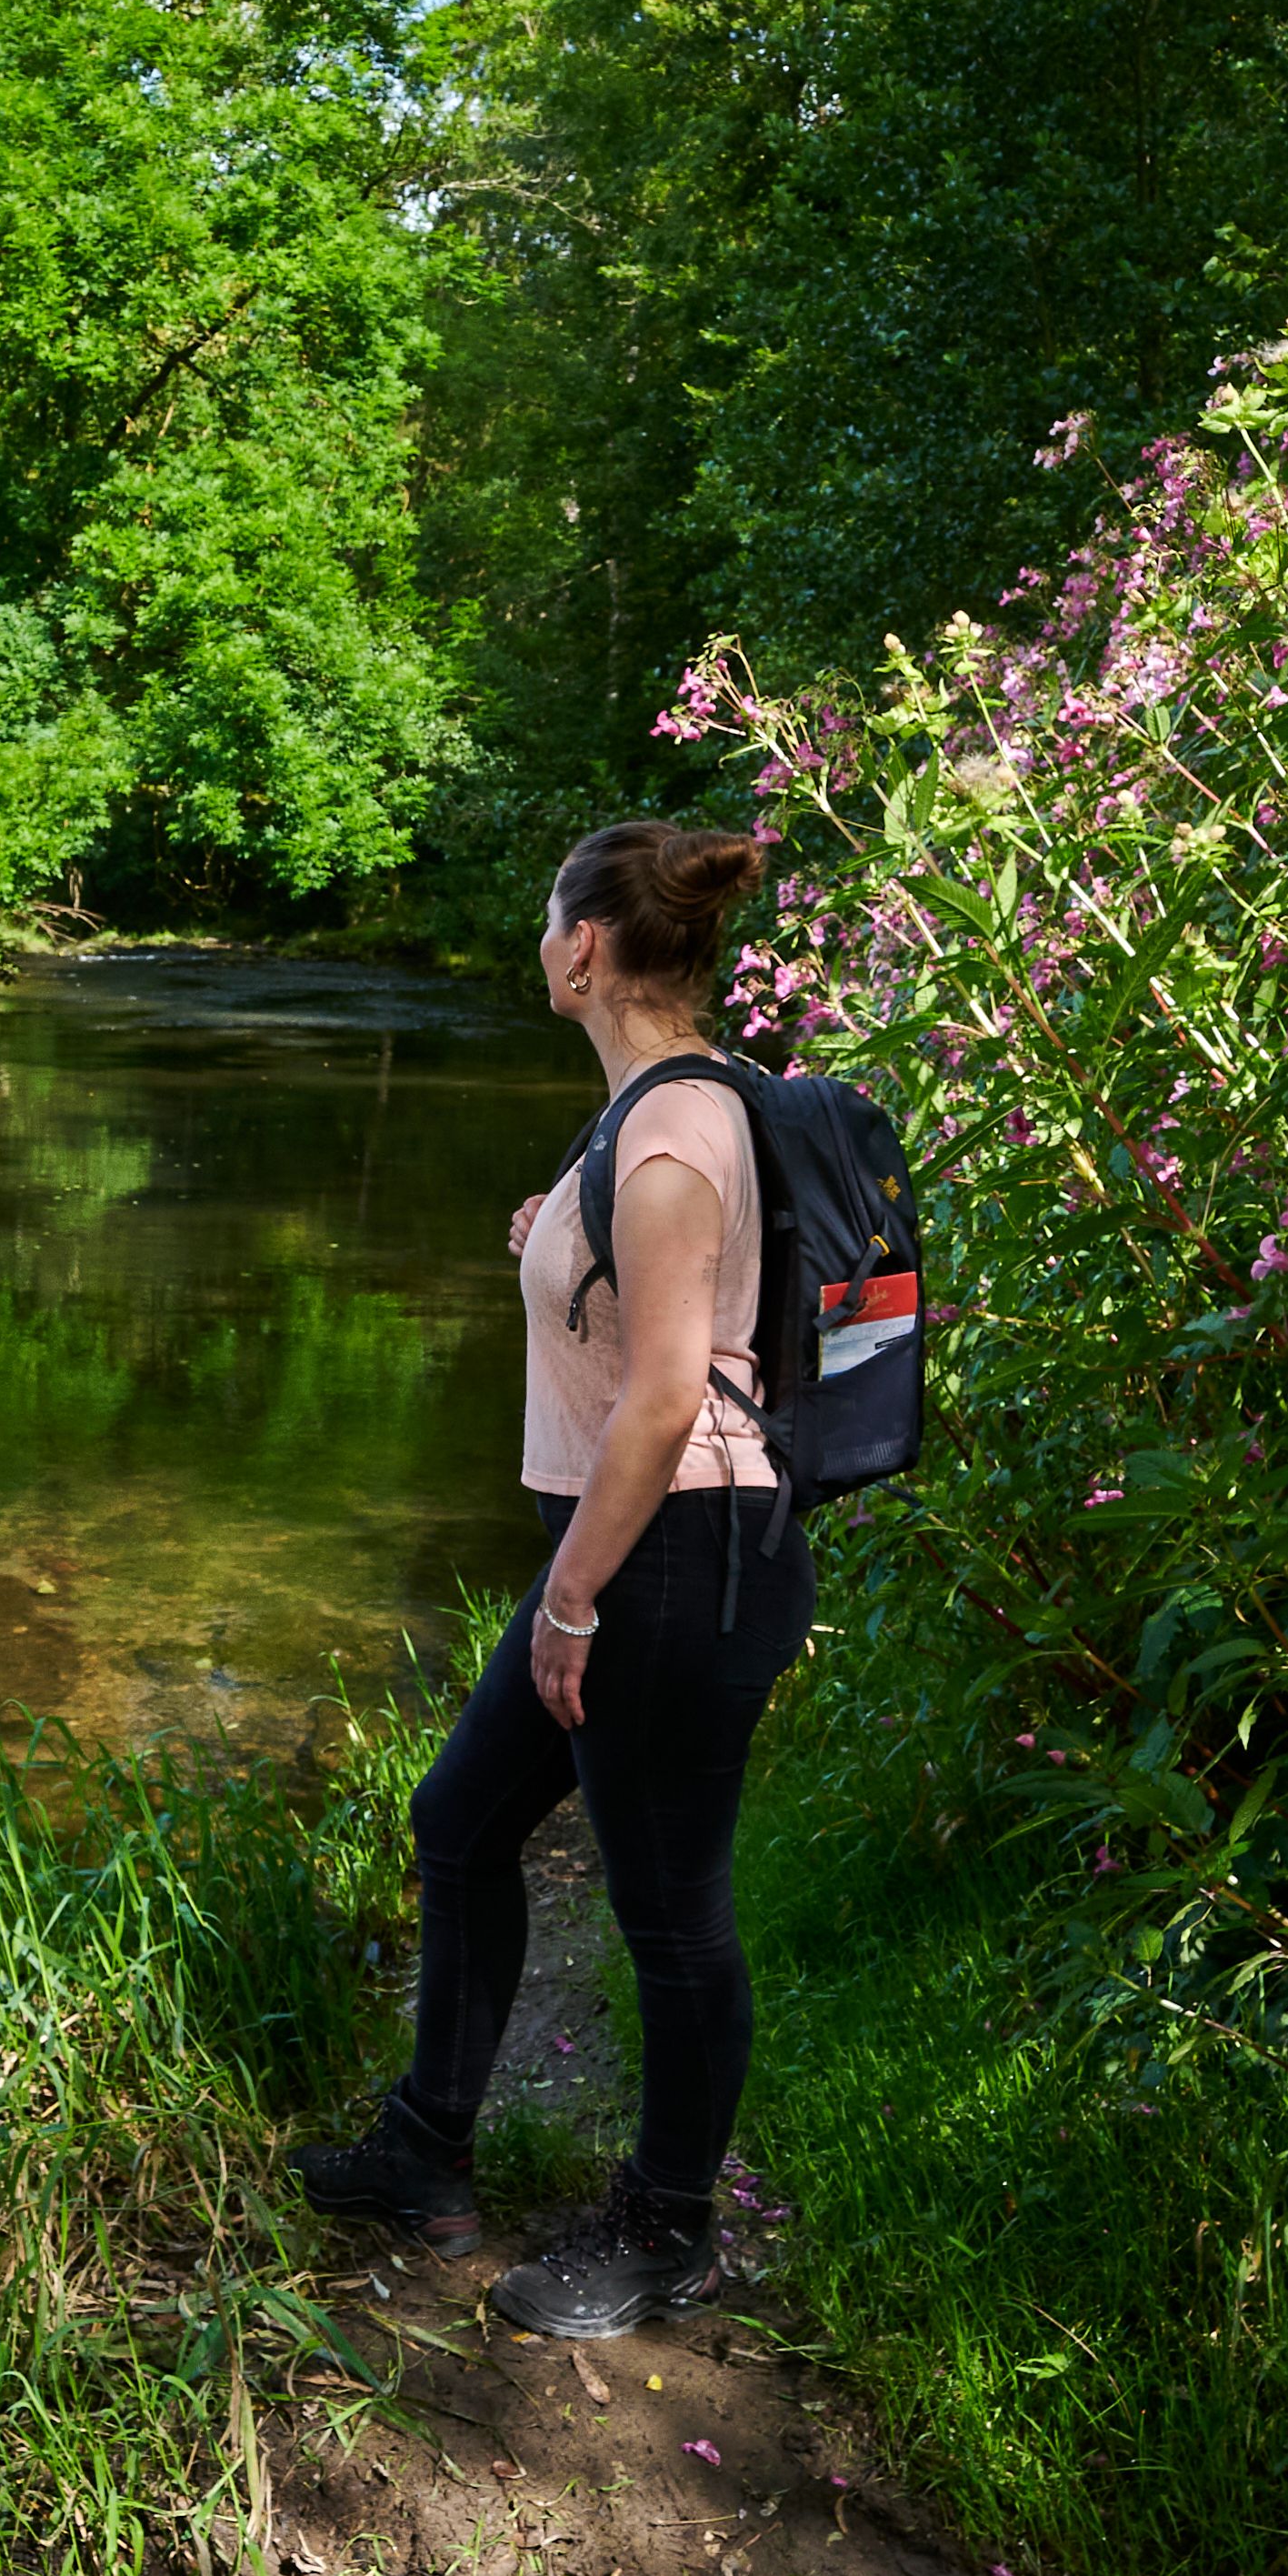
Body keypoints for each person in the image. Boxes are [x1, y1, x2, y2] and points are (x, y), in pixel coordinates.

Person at [295, 816, 812, 2337]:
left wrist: (573, 1599)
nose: (539, 944)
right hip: (641, 1546)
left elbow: (664, 1397)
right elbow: (671, 1304)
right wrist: (557, 1242)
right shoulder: (664, 1108)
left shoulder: (666, 1136)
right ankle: (425, 2150)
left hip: (668, 1558)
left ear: (583, 946)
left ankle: (668, 2230)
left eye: (545, 922)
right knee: (457, 1821)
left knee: (669, 1910)